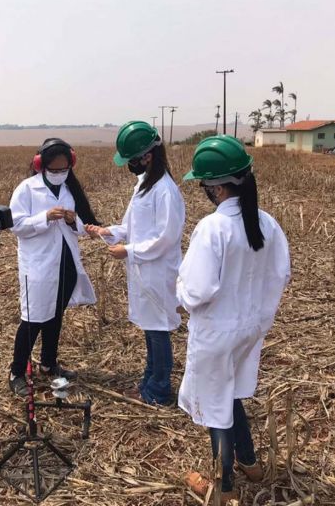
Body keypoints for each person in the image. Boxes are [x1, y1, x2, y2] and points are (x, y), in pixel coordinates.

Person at [177, 135, 291, 503]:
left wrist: (180, 289)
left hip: (216, 332)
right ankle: (251, 463)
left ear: (216, 186)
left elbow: (197, 290)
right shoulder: (267, 223)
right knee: (229, 394)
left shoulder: (214, 228)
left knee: (215, 406)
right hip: (250, 329)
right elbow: (281, 274)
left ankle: (222, 488)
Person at [86, 121, 185, 405]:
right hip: (144, 271)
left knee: (159, 331)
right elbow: (132, 226)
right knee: (151, 329)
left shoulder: (165, 190)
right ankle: (150, 382)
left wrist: (129, 251)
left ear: (148, 156)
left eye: (132, 160)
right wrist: (107, 232)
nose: (130, 165)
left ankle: (159, 389)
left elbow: (166, 237)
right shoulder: (144, 186)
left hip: (157, 271)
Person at [7, 138, 99, 396]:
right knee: (32, 319)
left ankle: (48, 364)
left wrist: (72, 221)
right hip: (38, 265)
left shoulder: (71, 190)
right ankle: (16, 371)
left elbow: (82, 228)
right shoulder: (26, 189)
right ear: (40, 166)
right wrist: (44, 217)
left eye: (64, 170)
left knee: (55, 315)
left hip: (66, 262)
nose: (60, 174)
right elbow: (15, 225)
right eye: (54, 170)